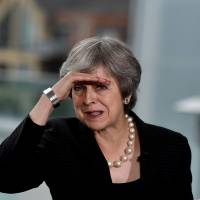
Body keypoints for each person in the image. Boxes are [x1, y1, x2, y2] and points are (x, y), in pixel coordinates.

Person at [0, 36, 193, 199]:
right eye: (78, 87)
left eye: (100, 86)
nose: (88, 99)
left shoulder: (171, 146)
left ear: (126, 92)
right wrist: (48, 99)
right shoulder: (57, 138)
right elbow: (6, 179)